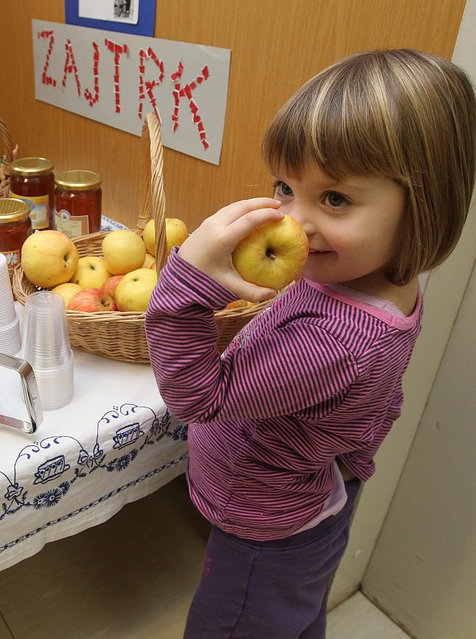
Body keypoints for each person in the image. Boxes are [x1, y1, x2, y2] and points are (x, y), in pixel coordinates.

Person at [145, 49, 475, 638]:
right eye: (285, 188)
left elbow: (195, 396)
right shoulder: (382, 282)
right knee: (293, 621)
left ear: (421, 207)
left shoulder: (333, 338)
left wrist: (182, 285)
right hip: (314, 502)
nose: (296, 223)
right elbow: (374, 398)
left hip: (263, 534)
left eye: (336, 199)